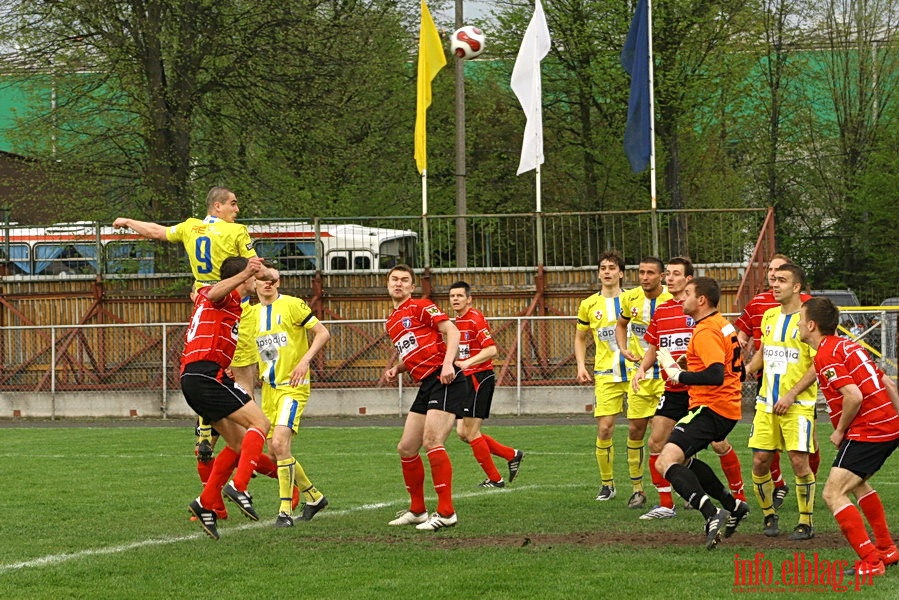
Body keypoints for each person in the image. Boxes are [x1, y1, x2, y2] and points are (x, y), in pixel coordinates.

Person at [114, 187, 265, 497]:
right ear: (218, 205)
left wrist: (129, 220)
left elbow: (156, 231)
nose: (237, 209)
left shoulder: (189, 226)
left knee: (206, 370)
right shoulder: (236, 230)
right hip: (230, 301)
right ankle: (241, 481)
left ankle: (205, 433)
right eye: (233, 203)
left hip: (201, 302)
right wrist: (273, 279)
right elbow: (254, 268)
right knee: (245, 391)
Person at [632, 258, 746, 520]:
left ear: (691, 285)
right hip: (696, 395)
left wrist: (680, 372)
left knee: (680, 455)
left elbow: (715, 369)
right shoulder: (672, 313)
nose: (669, 279)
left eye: (675, 275)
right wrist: (645, 368)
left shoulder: (703, 324)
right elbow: (656, 346)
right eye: (667, 274)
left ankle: (726, 503)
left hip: (707, 397)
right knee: (660, 444)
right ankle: (672, 503)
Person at [798, 297, 899, 578]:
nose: (797, 324)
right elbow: (888, 381)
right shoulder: (848, 345)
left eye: (799, 319)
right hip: (887, 425)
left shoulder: (826, 353)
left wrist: (840, 430)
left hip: (869, 429)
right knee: (857, 485)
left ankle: (871, 561)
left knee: (833, 493)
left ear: (811, 325)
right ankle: (887, 548)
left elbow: (853, 396)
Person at [182, 256, 275, 540]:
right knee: (261, 424)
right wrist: (247, 270)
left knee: (237, 444)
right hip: (206, 375)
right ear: (245, 277)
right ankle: (240, 486)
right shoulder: (221, 296)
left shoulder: (231, 303)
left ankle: (205, 503)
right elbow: (212, 292)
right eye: (257, 277)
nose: (261, 281)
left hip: (196, 378)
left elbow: (205, 293)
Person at [654, 277, 749, 550]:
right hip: (726, 408)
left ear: (702, 300)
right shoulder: (721, 322)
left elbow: (716, 374)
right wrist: (690, 360)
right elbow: (727, 363)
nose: (681, 298)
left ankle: (712, 514)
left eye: (687, 294)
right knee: (683, 461)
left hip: (711, 407)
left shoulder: (706, 330)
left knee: (665, 462)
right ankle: (733, 506)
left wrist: (678, 373)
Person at [383, 265, 467, 531]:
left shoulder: (421, 306)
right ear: (387, 284)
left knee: (432, 441)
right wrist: (398, 368)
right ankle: (418, 510)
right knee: (407, 448)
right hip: (426, 384)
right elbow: (414, 352)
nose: (398, 284)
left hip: (446, 379)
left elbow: (452, 331)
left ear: (411, 286)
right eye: (394, 280)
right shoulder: (392, 321)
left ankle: (446, 512)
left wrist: (448, 364)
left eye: (404, 280)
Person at [734, 254, 817, 505]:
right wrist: (745, 371)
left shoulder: (809, 319)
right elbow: (763, 352)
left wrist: (791, 394)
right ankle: (769, 516)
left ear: (796, 287)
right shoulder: (769, 315)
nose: (775, 283)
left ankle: (806, 521)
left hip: (797, 404)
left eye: (782, 279)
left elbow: (818, 363)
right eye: (774, 279)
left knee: (798, 461)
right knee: (760, 460)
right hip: (766, 402)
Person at [251, 273, 331, 527]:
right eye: (262, 279)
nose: (267, 283)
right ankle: (314, 496)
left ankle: (284, 511)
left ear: (278, 283)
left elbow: (322, 333)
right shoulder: (251, 314)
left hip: (293, 387)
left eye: (272, 280)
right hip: (269, 390)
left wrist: (304, 361)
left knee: (280, 443)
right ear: (253, 283)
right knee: (274, 453)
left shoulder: (292, 304)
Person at [448, 281, 524, 488]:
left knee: (471, 433)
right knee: (463, 433)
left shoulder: (475, 319)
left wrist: (466, 363)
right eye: (452, 296)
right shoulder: (455, 322)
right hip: (465, 379)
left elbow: (491, 350)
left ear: (469, 298)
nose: (455, 299)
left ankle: (495, 479)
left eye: (459, 296)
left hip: (479, 378)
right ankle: (512, 455)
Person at [612, 256, 672, 508]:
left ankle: (676, 489)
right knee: (635, 431)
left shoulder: (673, 299)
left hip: (667, 378)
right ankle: (638, 488)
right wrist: (623, 349)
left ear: (662, 276)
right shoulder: (630, 298)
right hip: (640, 376)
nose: (644, 277)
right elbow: (621, 324)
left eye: (650, 273)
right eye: (641, 272)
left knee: (666, 436)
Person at [575, 250, 630, 502]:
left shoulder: (634, 299)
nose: (606, 272)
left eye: (611, 267)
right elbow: (580, 337)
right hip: (606, 373)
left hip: (636, 371)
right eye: (603, 268)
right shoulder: (588, 304)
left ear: (621, 273)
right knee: (605, 428)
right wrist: (580, 365)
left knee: (654, 428)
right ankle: (607, 484)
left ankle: (665, 480)